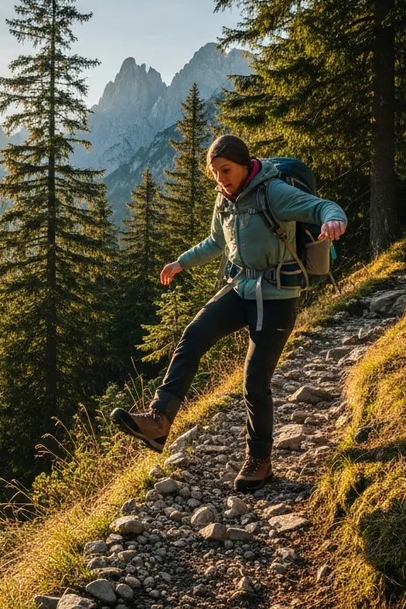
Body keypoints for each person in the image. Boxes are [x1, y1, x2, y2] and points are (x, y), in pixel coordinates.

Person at [111, 134, 347, 492]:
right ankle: (160, 419)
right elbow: (216, 242)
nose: (221, 179)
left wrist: (333, 221)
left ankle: (260, 460)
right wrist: (181, 262)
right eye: (215, 173)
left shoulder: (273, 192)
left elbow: (321, 207)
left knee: (255, 380)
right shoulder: (224, 199)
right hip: (241, 289)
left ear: (244, 164)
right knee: (194, 334)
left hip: (278, 297)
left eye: (226, 170)